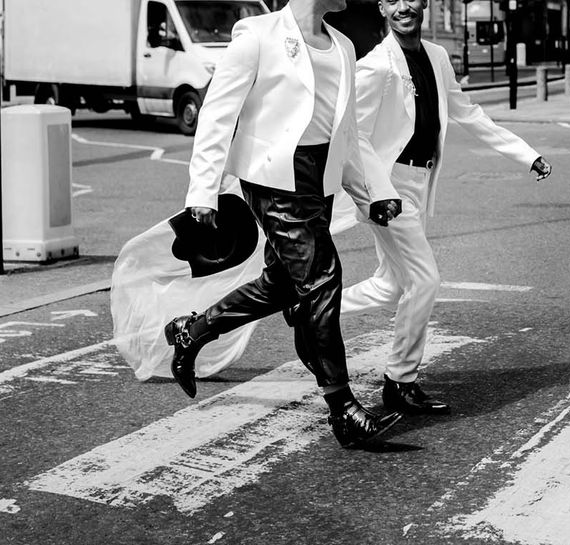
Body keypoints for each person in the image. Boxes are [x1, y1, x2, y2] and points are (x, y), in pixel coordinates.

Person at [164, 0, 405, 448]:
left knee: (282, 282)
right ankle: (343, 409)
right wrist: (202, 190)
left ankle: (191, 330)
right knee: (321, 277)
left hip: (319, 175)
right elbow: (218, 113)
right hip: (273, 176)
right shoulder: (256, 34)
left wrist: (373, 192)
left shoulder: (344, 46)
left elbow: (347, 132)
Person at [337, 0, 552, 414]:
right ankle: (399, 381)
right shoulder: (376, 65)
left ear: (425, 4)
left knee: (390, 284)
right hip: (389, 187)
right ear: (382, 8)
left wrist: (527, 154)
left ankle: (310, 309)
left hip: (418, 181)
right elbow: (354, 136)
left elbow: (468, 114)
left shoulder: (436, 57)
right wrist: (377, 193)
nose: (404, 7)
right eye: (394, 0)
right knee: (424, 279)